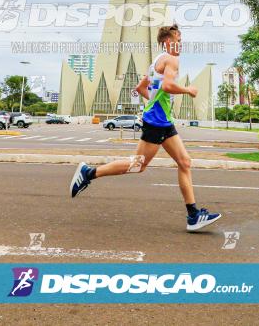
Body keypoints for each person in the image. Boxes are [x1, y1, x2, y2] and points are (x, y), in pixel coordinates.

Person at [69, 24, 222, 232]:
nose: (181, 44)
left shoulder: (157, 61)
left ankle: (193, 215)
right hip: (157, 121)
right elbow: (167, 86)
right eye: (178, 40)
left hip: (163, 120)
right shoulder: (171, 59)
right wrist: (188, 90)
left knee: (184, 162)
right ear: (168, 41)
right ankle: (88, 173)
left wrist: (155, 103)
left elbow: (141, 88)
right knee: (138, 165)